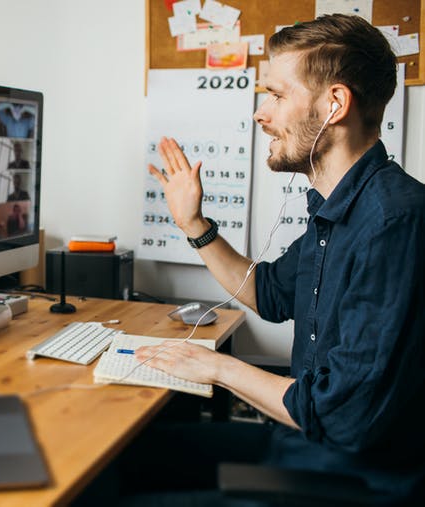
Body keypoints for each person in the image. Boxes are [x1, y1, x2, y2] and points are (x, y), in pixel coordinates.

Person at [128, 14, 425, 506]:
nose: (260, 114)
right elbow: (267, 293)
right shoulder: (339, 208)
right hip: (302, 447)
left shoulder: (395, 223)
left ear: (335, 104)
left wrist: (218, 369)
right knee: (127, 460)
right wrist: (193, 225)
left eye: (277, 96)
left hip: (352, 482)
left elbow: (343, 416)